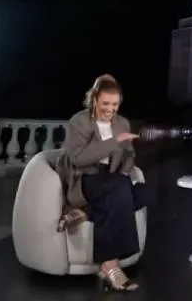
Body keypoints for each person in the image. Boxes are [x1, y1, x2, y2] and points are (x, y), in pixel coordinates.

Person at [56, 74, 144, 292]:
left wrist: (125, 168)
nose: (110, 109)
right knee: (119, 190)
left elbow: (129, 155)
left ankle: (84, 212)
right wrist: (115, 141)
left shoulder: (122, 122)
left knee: (142, 193)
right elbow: (78, 158)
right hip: (85, 178)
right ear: (94, 99)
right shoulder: (79, 121)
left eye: (115, 104)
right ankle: (109, 264)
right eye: (105, 103)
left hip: (112, 178)